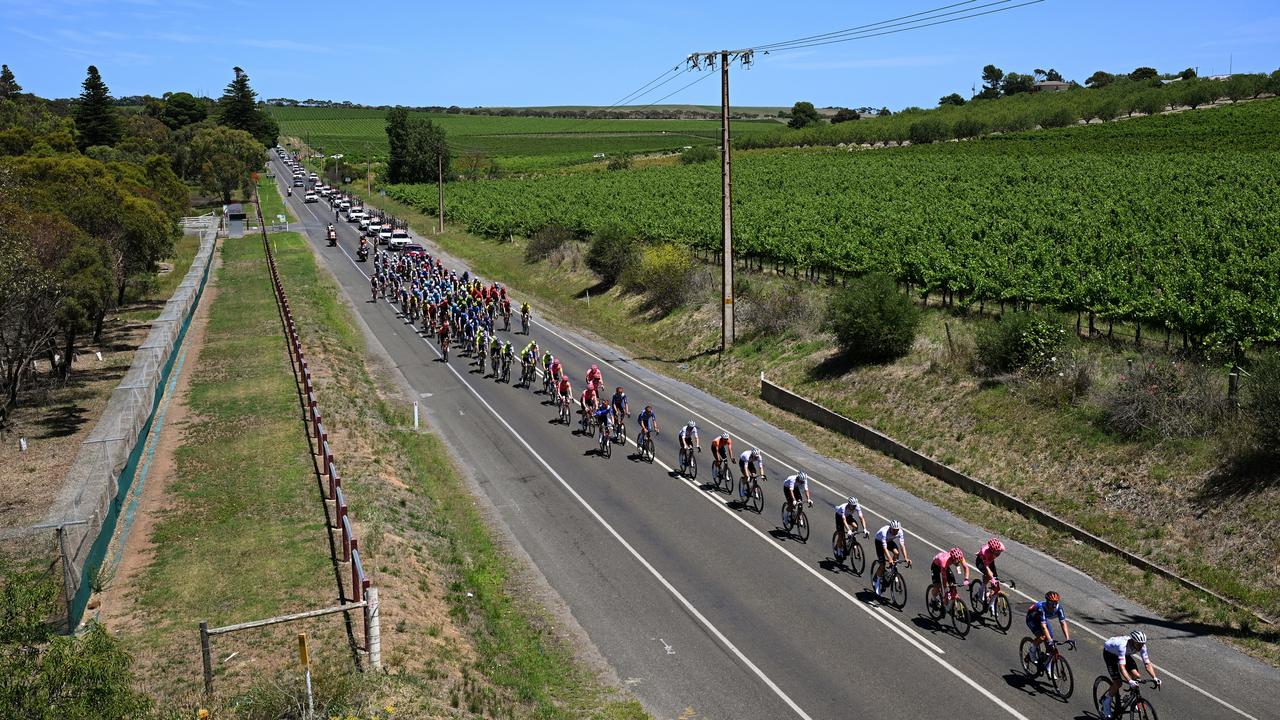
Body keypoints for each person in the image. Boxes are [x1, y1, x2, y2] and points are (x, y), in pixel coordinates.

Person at [1100, 631, 1160, 720]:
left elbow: (1147, 664)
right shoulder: (1122, 646)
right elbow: (1122, 667)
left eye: (1142, 644)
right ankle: (1106, 700)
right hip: (1110, 654)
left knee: (1136, 675)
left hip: (1125, 654)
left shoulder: (1142, 646)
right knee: (1118, 683)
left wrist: (1155, 678)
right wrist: (1129, 680)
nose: (1140, 647)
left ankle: (1132, 698)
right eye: (1138, 644)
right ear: (1132, 641)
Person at [1025, 591, 1073, 668]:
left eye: (1056, 603)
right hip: (1032, 619)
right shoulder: (1041, 608)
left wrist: (1068, 638)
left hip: (1042, 619)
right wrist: (1050, 640)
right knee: (1043, 637)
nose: (1054, 605)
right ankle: (1032, 650)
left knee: (1050, 642)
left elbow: (1063, 623)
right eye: (1051, 603)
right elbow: (1043, 627)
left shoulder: (1059, 608)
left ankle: (1047, 666)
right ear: (1047, 602)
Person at [872, 521, 911, 597]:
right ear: (890, 528)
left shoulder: (900, 532)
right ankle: (877, 582)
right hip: (879, 542)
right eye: (894, 530)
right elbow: (884, 548)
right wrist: (889, 558)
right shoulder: (884, 532)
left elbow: (902, 545)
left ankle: (891, 569)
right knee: (882, 564)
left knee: (896, 553)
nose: (895, 531)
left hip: (889, 541)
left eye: (897, 530)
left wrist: (906, 558)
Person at [973, 537, 1005, 608]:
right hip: (981, 562)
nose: (997, 553)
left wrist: (994, 579)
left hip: (990, 560)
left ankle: (991, 601)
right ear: (991, 550)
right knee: (989, 576)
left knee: (995, 580)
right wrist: (991, 578)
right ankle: (981, 590)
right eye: (995, 552)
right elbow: (987, 567)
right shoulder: (984, 551)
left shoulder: (1001, 547)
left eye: (998, 552)